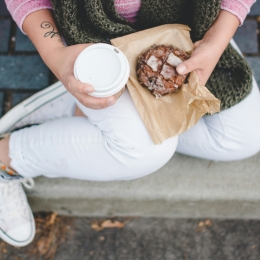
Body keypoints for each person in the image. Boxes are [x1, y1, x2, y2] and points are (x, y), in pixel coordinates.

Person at [0, 0, 259, 247]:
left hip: (190, 23)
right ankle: (8, 159)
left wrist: (216, 39)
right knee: (145, 151)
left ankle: (83, 110)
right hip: (94, 38)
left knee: (244, 138)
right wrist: (56, 55)